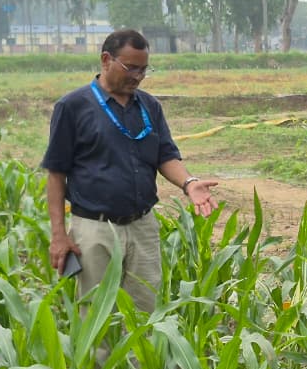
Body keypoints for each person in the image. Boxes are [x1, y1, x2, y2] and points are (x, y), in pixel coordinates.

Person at [42, 29, 218, 313]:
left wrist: (189, 183)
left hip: (142, 227)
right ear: (106, 60)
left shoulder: (149, 106)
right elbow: (56, 174)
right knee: (96, 318)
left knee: (145, 315)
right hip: (94, 229)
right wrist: (59, 235)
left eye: (144, 69)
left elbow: (166, 156)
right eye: (131, 67)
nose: (137, 76)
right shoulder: (73, 107)